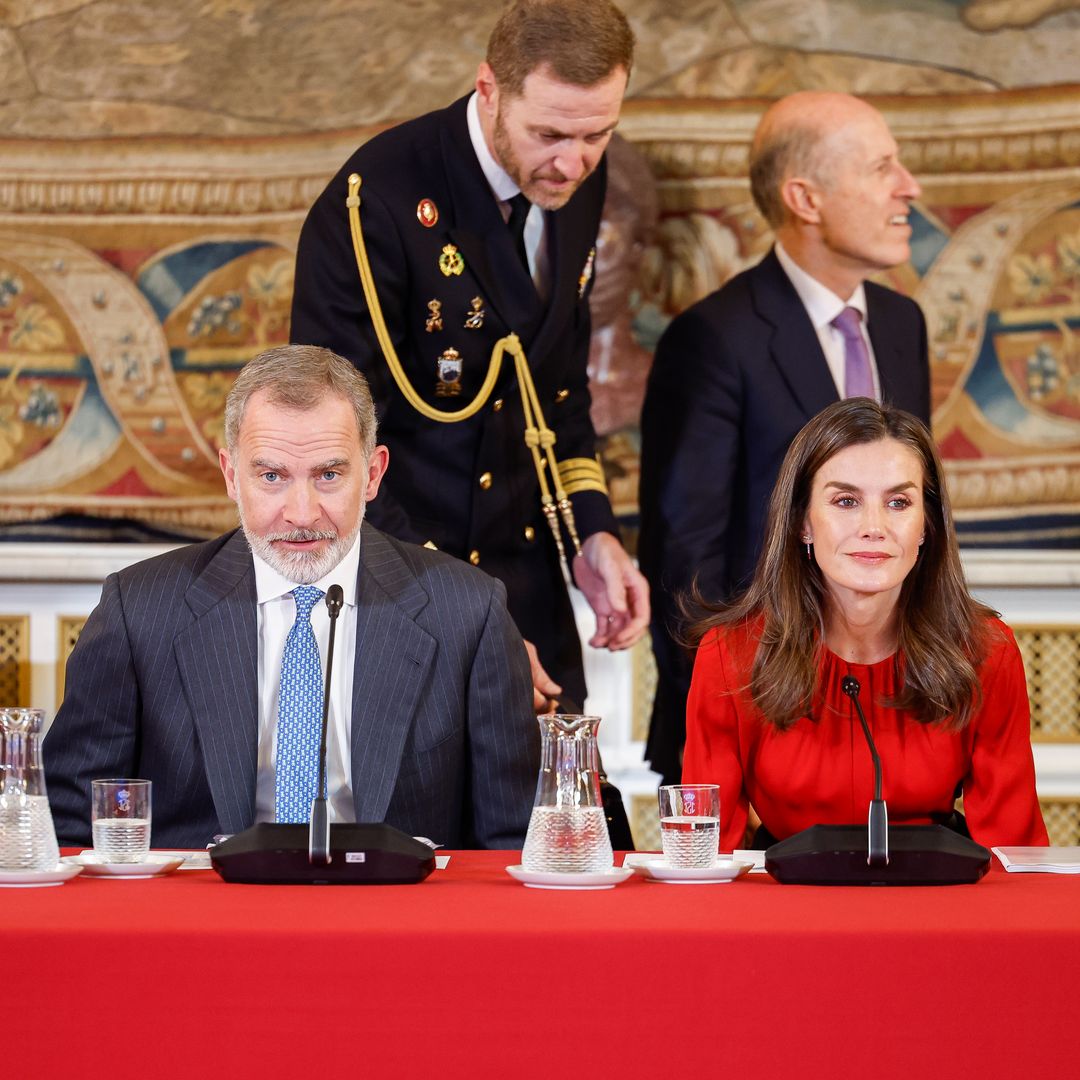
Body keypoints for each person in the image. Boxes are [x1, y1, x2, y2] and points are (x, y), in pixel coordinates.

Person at [290, 0, 649, 714]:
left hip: (530, 584)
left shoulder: (575, 178)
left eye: (597, 135)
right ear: (489, 88)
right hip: (402, 592)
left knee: (559, 821)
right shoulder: (375, 202)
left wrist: (594, 533)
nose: (572, 161)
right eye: (548, 132)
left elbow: (557, 393)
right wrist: (459, 617)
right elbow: (331, 453)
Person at [44, 345, 539, 850]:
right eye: (272, 476)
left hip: (392, 918)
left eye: (328, 475)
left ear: (372, 474)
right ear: (232, 475)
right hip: (203, 918)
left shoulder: (468, 613)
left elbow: (511, 842)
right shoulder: (140, 609)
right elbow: (70, 827)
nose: (302, 514)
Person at [639, 90, 932, 785]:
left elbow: (918, 511)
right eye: (881, 168)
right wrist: (733, 722)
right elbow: (686, 558)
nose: (909, 187)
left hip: (900, 717)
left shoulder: (901, 324)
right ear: (805, 197)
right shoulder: (714, 338)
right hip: (758, 721)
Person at [682, 398, 1048, 852]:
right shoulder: (729, 653)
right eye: (846, 501)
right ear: (802, 524)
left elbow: (1015, 850)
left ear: (925, 526)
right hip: (784, 904)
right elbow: (702, 853)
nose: (874, 526)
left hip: (934, 903)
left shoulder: (985, 651)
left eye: (898, 502)